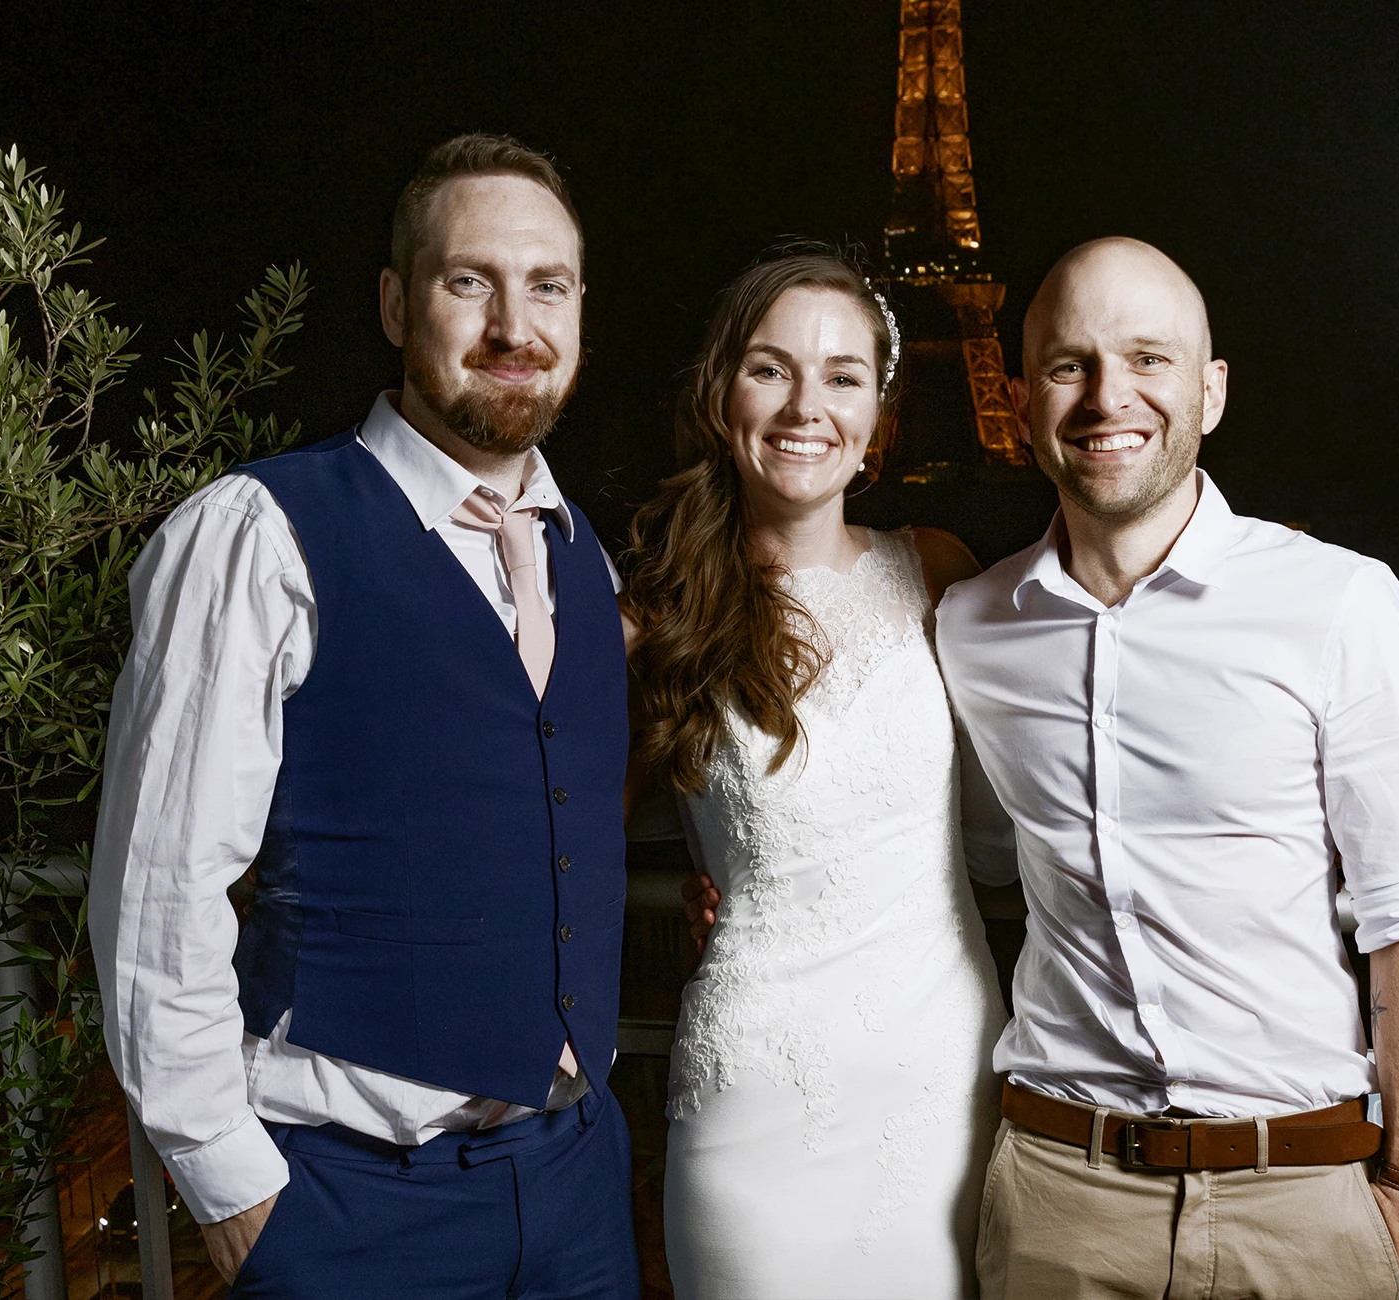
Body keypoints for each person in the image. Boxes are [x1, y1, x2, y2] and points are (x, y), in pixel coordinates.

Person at [89, 133, 639, 1298]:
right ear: (396, 303)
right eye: (467, 281)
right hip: (351, 1204)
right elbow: (159, 890)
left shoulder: (587, 558)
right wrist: (235, 1187)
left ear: (582, 308)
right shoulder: (256, 532)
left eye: (547, 286)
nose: (513, 326)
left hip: (580, 1186)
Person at [936, 237, 1399, 1299]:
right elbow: (971, 860)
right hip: (1056, 1196)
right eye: (1068, 363)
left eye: (1149, 359)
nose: (1107, 395)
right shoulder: (972, 624)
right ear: (1019, 394)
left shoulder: (1338, 600)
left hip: (1301, 1197)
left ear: (1211, 392)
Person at [625, 249, 1009, 1298]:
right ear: (720, 393)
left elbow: (1012, 817)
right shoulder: (653, 615)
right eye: (771, 368)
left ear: (879, 411)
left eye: (843, 375)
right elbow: (561, 834)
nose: (808, 404)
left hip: (943, 1081)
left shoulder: (938, 569)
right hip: (755, 1093)